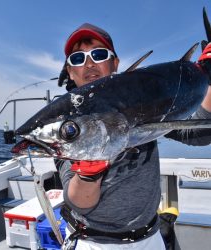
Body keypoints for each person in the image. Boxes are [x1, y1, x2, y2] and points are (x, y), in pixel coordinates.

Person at [56, 23, 211, 249]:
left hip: (149, 238)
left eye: (98, 54)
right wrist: (89, 174)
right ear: (70, 71)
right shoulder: (65, 122)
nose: (88, 63)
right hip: (94, 243)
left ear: (114, 64)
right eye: (77, 59)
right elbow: (80, 203)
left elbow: (199, 134)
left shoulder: (140, 101)